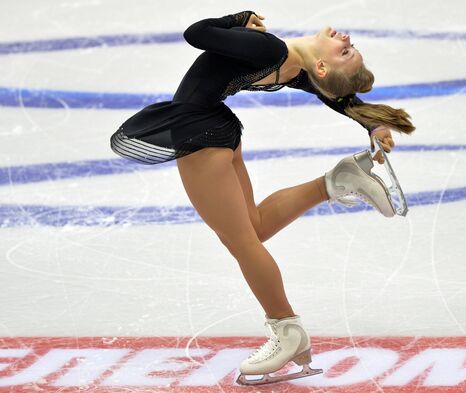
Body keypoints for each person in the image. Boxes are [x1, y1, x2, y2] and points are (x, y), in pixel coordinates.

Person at [110, 10, 415, 385]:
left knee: (241, 242)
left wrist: (238, 18)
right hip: (216, 128)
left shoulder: (269, 50)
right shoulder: (292, 65)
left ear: (321, 66)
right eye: (349, 50)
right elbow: (337, 97)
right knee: (253, 228)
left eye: (344, 52)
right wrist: (373, 123)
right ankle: (337, 181)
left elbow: (196, 32)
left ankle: (286, 330)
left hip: (199, 133)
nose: (347, 40)